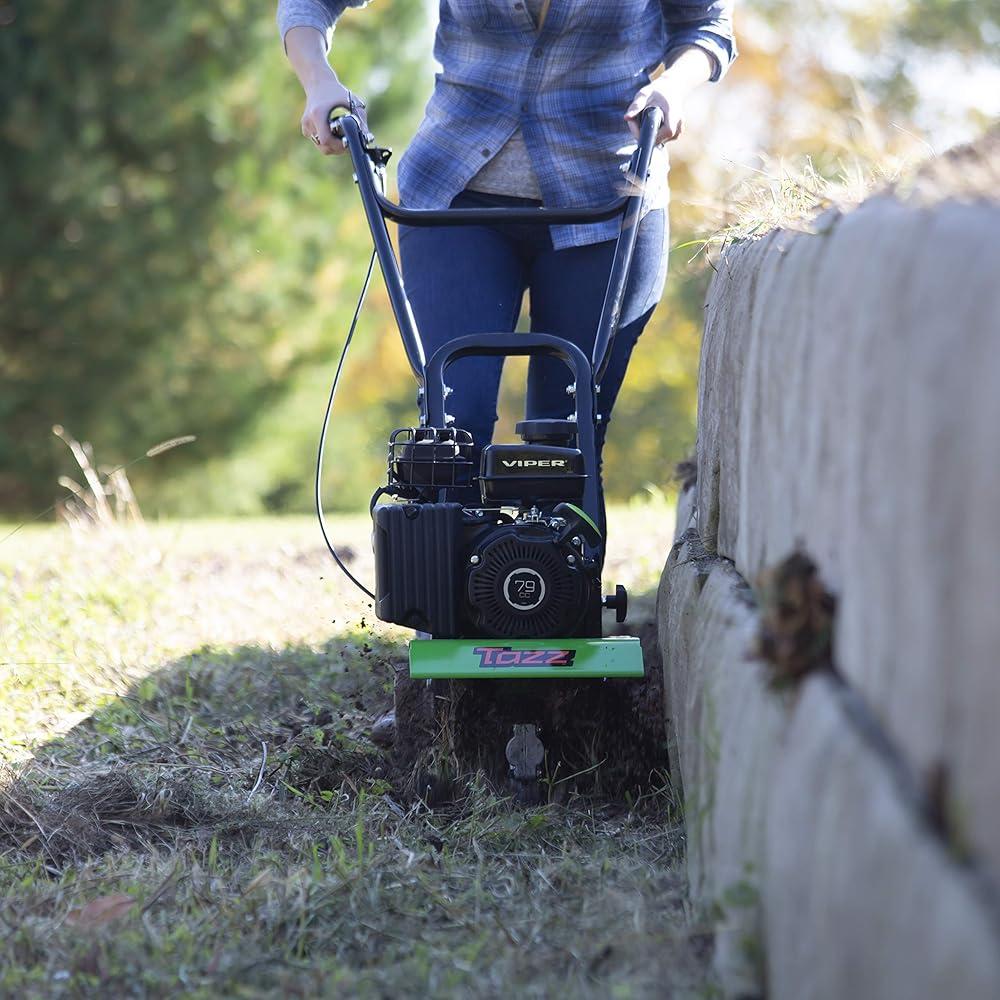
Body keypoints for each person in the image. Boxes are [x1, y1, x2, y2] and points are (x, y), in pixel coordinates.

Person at [277, 0, 736, 527]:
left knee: (563, 441)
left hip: (608, 201)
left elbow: (707, 23)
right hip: (456, 197)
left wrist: (672, 88)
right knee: (454, 431)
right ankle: (448, 598)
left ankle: (555, 597)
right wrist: (319, 81)